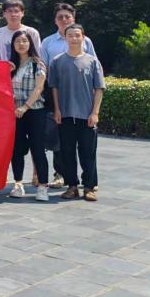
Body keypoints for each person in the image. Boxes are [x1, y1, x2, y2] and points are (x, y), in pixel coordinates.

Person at [40, 3, 97, 189]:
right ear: (55, 20)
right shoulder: (48, 42)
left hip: (82, 95)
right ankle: (60, 174)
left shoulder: (86, 41)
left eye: (67, 16)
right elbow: (43, 67)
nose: (64, 19)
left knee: (86, 142)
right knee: (60, 136)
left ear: (73, 18)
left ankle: (89, 181)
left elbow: (94, 67)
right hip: (56, 92)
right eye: (60, 17)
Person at [50, 23, 105, 201]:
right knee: (67, 152)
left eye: (77, 35)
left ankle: (89, 187)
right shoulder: (57, 61)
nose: (74, 38)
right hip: (65, 115)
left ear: (83, 37)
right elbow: (54, 87)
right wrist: (57, 109)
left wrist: (95, 113)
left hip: (86, 115)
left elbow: (99, 88)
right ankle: (72, 186)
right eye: (70, 35)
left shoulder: (92, 61)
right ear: (65, 38)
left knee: (88, 153)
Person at [7, 31, 49, 202]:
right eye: (17, 41)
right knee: (16, 149)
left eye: (24, 41)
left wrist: (25, 107)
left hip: (34, 111)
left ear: (30, 43)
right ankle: (18, 184)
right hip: (14, 113)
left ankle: (43, 186)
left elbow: (39, 88)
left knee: (37, 148)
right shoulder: (11, 65)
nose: (21, 44)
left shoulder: (37, 64)